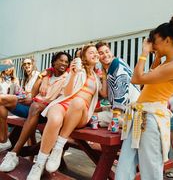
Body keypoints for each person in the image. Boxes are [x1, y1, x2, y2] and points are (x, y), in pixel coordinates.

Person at [115, 13, 173, 180]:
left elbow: (137, 79)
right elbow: (150, 80)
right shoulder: (169, 61)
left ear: (167, 40)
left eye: (156, 41)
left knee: (151, 170)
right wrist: (157, 57)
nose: (153, 44)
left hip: (151, 118)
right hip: (141, 115)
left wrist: (144, 53)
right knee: (125, 165)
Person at [26, 44, 106, 180]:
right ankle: (38, 164)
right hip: (65, 104)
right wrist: (73, 74)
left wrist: (105, 72)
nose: (95, 54)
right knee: (55, 118)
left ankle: (58, 146)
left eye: (96, 53)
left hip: (81, 113)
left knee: (78, 101)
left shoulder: (97, 77)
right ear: (84, 57)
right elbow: (67, 93)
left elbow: (104, 93)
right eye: (91, 52)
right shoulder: (77, 70)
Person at [0, 52, 71, 172]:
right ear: (54, 62)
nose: (63, 63)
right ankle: (3, 140)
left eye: (66, 61)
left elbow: (62, 98)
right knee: (1, 100)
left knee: (35, 107)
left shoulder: (68, 77)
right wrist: (42, 78)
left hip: (47, 111)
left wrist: (39, 100)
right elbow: (33, 94)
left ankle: (14, 154)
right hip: (33, 105)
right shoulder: (46, 75)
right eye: (61, 60)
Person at [96, 41, 140, 132]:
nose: (105, 55)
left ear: (111, 52)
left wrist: (115, 119)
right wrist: (104, 76)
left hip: (130, 113)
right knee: (94, 116)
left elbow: (121, 91)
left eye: (107, 51)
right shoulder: (108, 69)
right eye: (101, 53)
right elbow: (104, 94)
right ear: (97, 57)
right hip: (124, 111)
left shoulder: (116, 63)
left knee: (91, 118)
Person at [0, 58, 40, 151]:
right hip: (9, 106)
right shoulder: (25, 78)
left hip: (31, 107)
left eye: (29, 63)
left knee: (31, 133)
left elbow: (21, 93)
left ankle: (6, 142)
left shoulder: (36, 76)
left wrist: (25, 95)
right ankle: (5, 141)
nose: (27, 65)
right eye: (25, 64)